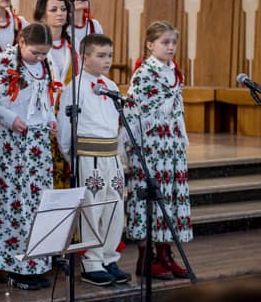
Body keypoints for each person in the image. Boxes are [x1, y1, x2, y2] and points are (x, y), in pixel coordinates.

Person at [0, 23, 58, 290]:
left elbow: (46, 96)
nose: (39, 58)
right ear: (22, 42)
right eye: (35, 52)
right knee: (15, 202)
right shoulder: (2, 62)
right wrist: (9, 117)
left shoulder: (45, 64)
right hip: (11, 143)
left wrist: (51, 118)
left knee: (37, 203)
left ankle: (36, 263)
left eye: (43, 54)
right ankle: (13, 266)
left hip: (36, 144)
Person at [57, 33, 129, 287]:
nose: (107, 60)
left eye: (109, 55)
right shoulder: (73, 89)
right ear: (83, 57)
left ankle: (109, 256)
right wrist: (73, 158)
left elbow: (118, 125)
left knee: (114, 208)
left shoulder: (111, 86)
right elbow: (65, 131)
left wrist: (119, 155)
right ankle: (91, 261)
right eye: (100, 55)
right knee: (92, 208)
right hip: (88, 156)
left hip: (111, 157)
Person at [125, 21, 191, 279]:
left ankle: (165, 254)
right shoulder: (143, 74)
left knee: (170, 199)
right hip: (150, 145)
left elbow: (177, 109)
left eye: (173, 42)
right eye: (165, 42)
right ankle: (146, 258)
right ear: (150, 45)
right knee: (149, 200)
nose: (171, 47)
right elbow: (134, 112)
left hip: (171, 145)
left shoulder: (174, 72)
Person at [34, 0, 72, 190]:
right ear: (42, 15)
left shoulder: (72, 48)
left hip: (66, 115)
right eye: (54, 9)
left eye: (64, 9)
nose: (60, 13)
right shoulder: (34, 47)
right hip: (42, 115)